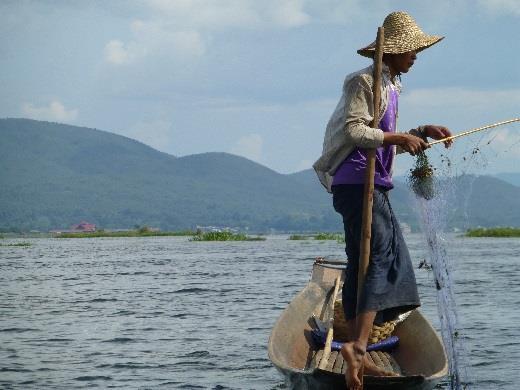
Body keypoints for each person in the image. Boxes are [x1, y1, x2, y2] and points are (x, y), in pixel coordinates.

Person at [313, 11, 453, 389]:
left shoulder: (391, 84)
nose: (415, 57)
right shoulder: (361, 81)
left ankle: (357, 349)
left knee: (371, 262)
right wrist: (397, 139)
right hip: (357, 184)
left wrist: (419, 132)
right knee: (380, 258)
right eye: (411, 51)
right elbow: (357, 131)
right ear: (391, 52)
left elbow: (382, 138)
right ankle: (358, 347)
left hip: (373, 184)